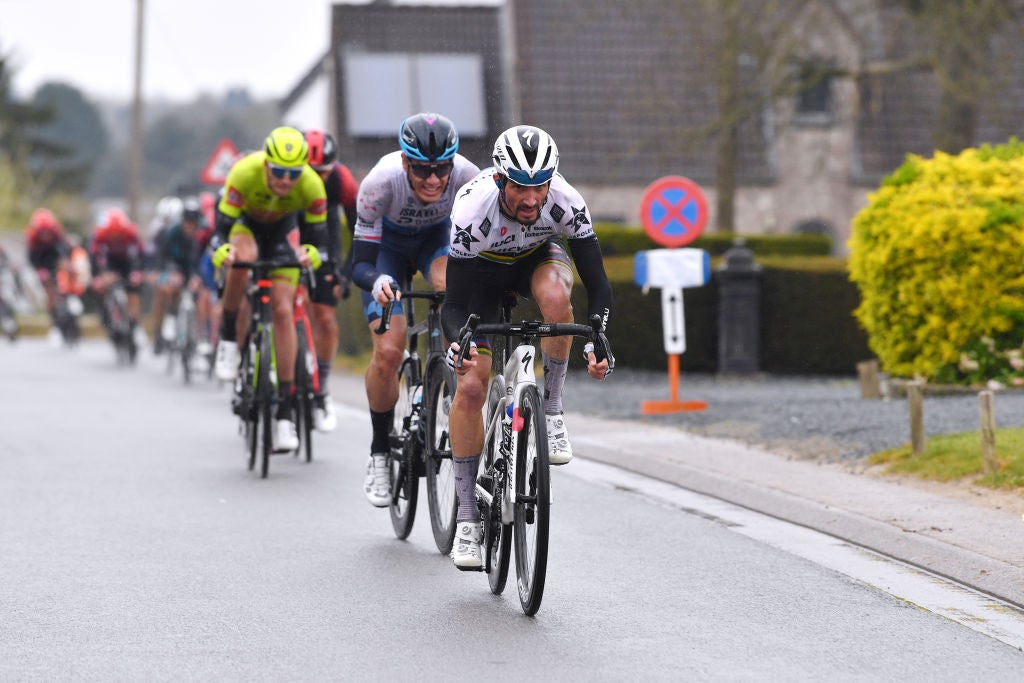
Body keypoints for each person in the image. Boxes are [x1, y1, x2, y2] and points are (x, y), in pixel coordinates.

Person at [440, 124, 613, 569]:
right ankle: (466, 518)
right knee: (473, 386)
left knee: (559, 299)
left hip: (535, 259)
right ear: (500, 180)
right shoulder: (471, 210)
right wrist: (460, 342)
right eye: (520, 187)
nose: (532, 198)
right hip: (480, 276)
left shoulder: (567, 202)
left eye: (541, 185)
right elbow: (454, 305)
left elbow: (598, 286)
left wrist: (598, 337)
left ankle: (551, 409)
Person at [350, 112, 480, 507]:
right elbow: (357, 263)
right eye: (422, 169)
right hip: (385, 251)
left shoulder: (468, 177)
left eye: (442, 168)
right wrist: (377, 282)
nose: (433, 179)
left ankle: (441, 363)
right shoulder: (378, 185)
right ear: (405, 162)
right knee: (389, 351)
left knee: (448, 285)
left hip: (434, 240)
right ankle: (378, 453)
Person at [210, 126, 329, 451]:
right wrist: (221, 250)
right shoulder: (244, 172)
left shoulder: (312, 185)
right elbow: (219, 231)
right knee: (241, 258)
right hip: (244, 226)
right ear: (265, 164)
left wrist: (314, 255)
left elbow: (320, 241)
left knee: (282, 309)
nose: (285, 181)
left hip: (281, 233)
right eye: (278, 172)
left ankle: (285, 414)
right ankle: (229, 339)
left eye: (292, 174)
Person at [301, 128, 359, 432]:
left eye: (323, 172)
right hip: (293, 238)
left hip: (326, 246)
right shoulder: (288, 180)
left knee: (324, 317)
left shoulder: (342, 180)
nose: (317, 179)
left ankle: (321, 388)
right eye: (311, 172)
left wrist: (346, 273)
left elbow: (359, 232)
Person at [151, 197, 204, 355]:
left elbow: (204, 257)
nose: (189, 227)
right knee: (166, 290)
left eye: (193, 223)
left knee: (201, 295)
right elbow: (163, 255)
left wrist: (198, 277)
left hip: (195, 267)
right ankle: (168, 321)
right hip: (175, 266)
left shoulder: (202, 233)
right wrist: (167, 273)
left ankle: (199, 336)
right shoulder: (172, 232)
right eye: (187, 222)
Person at [88, 208, 147, 347]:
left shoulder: (131, 233)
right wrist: (98, 276)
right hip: (110, 263)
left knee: (133, 293)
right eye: (112, 234)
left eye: (118, 234)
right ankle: (105, 316)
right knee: (102, 287)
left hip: (127, 264)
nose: (115, 236)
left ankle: (134, 324)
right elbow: (94, 257)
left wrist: (138, 272)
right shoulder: (100, 234)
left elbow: (141, 254)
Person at [25, 208, 73, 337]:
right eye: (42, 233)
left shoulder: (58, 237)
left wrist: (66, 263)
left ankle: (70, 304)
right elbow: (32, 259)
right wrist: (40, 270)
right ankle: (54, 320)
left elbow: (65, 251)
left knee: (66, 279)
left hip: (56, 263)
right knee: (50, 292)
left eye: (48, 232)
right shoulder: (33, 241)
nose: (45, 235)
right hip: (43, 266)